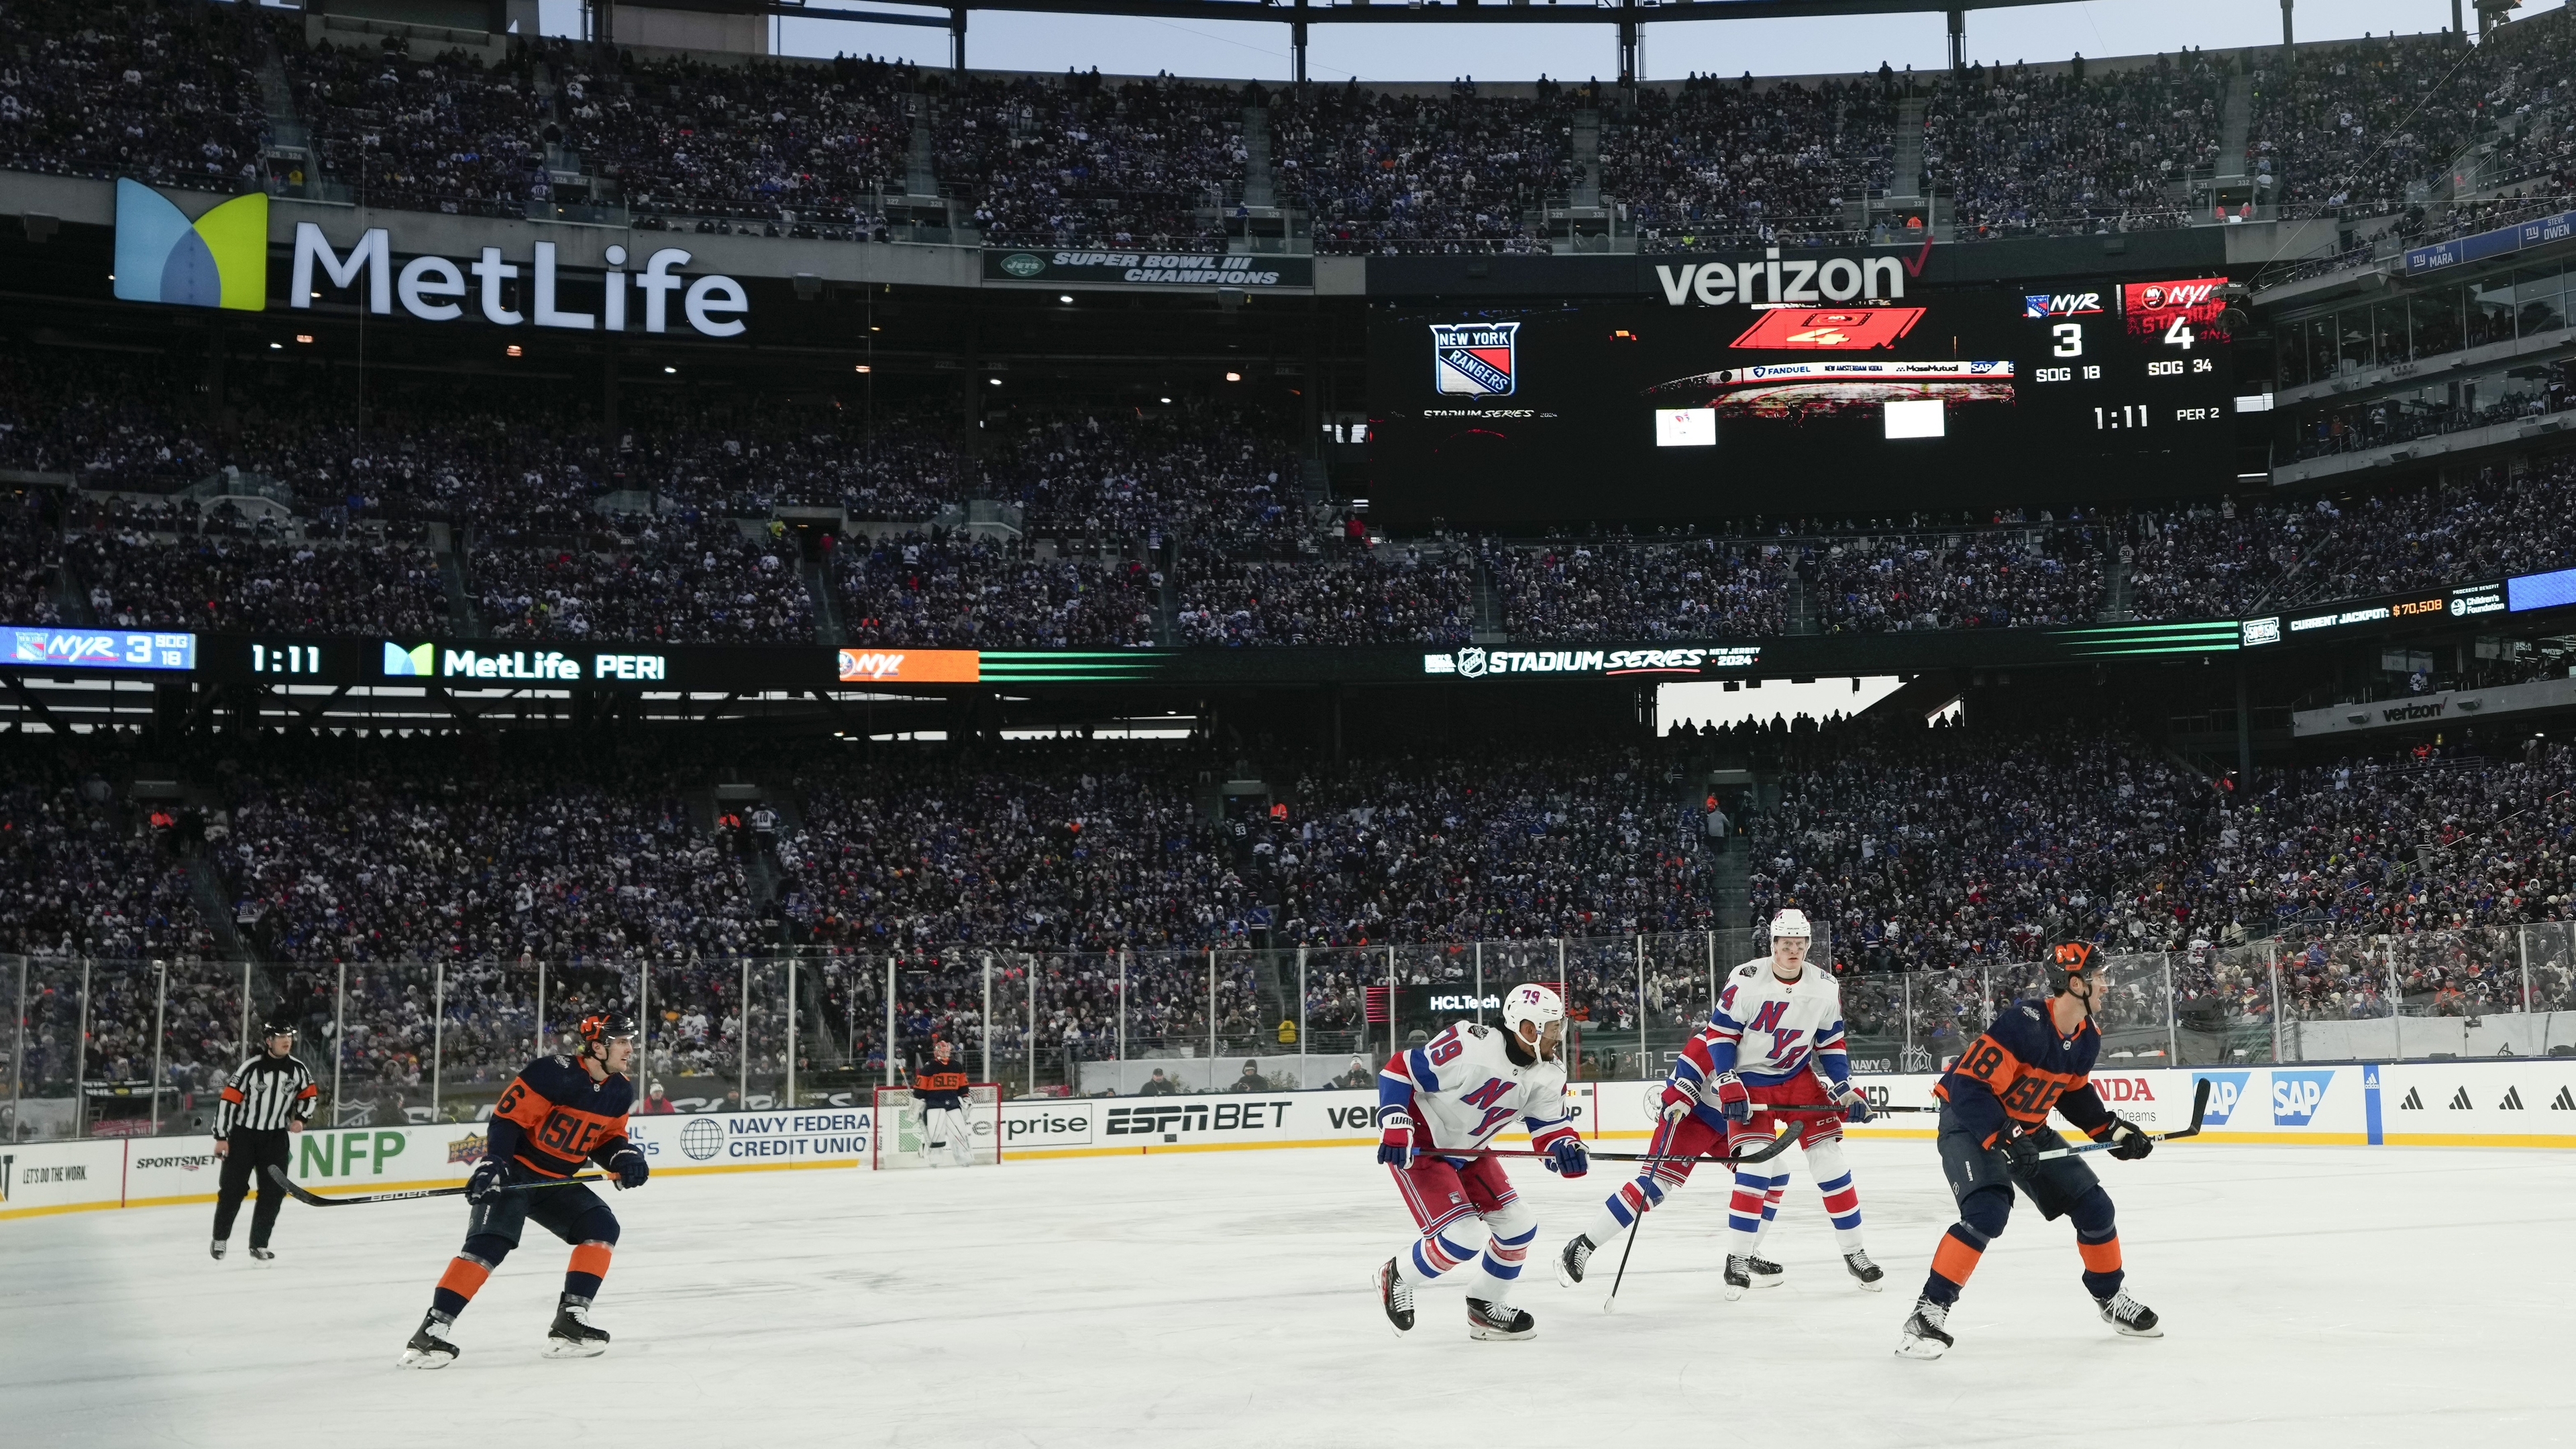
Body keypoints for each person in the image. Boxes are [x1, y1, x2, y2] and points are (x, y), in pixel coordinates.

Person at [1558, 908, 1880, 1297]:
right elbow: (1688, 1070)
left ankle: (1748, 1251)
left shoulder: (1793, 1005)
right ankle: (1583, 1245)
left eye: (1800, 944)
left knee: (1774, 1175)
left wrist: (1842, 1085)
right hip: (1700, 1118)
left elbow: (1825, 1042)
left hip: (1742, 1112)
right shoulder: (1715, 1034)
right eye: (1785, 944)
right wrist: (1678, 1100)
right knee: (1655, 1188)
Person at [1896, 939, 2161, 1359]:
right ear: (2075, 983)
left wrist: (2111, 1131)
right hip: (1971, 1121)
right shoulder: (2024, 1024)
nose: (2106, 985)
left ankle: (2110, 1299)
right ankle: (1928, 1311)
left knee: (2095, 1208)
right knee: (1987, 1211)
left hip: (2024, 1128)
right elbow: (1968, 1087)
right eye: (2098, 977)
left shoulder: (2087, 1037)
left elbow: (2072, 1093)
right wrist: (2007, 1137)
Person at [400, 1012, 649, 1368]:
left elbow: (607, 1138)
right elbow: (507, 1119)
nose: (629, 1048)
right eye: (622, 1041)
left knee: (601, 1227)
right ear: (598, 1046)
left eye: (629, 1041)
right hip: (517, 1173)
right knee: (489, 1244)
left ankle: (569, 1323)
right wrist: (495, 1163)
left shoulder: (620, 1089)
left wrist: (624, 1156)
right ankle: (430, 1333)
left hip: (556, 1182)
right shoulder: (553, 1073)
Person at [1373, 983, 1584, 1342]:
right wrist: (1395, 1121)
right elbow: (1398, 1070)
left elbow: (1549, 1126)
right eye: (1553, 1028)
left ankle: (1485, 1306)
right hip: (1423, 1146)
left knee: (1519, 1226)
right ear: (1528, 1029)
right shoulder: (1472, 1045)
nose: (1558, 1036)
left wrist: (1565, 1148)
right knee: (1462, 1237)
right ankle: (1397, 1275)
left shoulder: (1550, 1072)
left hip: (1473, 1151)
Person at [209, 1016, 317, 1262]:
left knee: (273, 1193)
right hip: (243, 1137)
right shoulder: (251, 1068)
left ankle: (259, 1244)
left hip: (276, 1139)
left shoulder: (298, 1069)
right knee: (233, 1191)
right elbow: (228, 1101)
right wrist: (222, 1137)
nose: (287, 1041)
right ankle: (220, 1239)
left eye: (289, 1037)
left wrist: (301, 1118)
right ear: (269, 1041)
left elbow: (309, 1095)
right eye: (281, 1037)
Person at [910, 1036, 975, 1167]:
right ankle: (933, 1160)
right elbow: (920, 1086)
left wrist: (965, 1097)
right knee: (936, 1134)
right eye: (943, 1051)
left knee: (960, 1132)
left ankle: (964, 1158)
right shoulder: (929, 1067)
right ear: (937, 1052)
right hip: (935, 1104)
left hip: (953, 1103)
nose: (946, 1053)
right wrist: (918, 1099)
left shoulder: (956, 1066)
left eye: (947, 1051)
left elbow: (963, 1084)